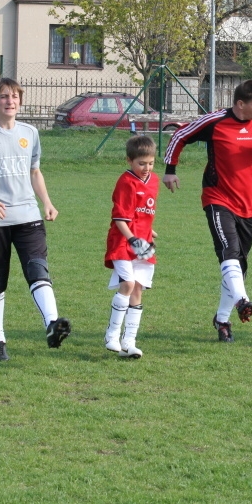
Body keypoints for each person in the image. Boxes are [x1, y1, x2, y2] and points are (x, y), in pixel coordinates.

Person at [161, 80, 252, 343]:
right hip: (217, 198)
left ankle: (222, 320)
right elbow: (179, 135)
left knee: (237, 265)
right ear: (240, 104)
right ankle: (243, 300)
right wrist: (170, 171)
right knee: (229, 250)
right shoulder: (215, 121)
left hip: (249, 205)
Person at [0, 78, 71, 361]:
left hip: (29, 217)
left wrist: (47, 202)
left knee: (38, 270)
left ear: (20, 101)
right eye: (4, 96)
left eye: (15, 96)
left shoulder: (30, 133)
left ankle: (52, 323)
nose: (10, 101)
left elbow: (35, 171)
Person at [104, 135, 160, 359]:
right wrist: (132, 239)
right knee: (126, 284)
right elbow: (120, 218)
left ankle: (129, 342)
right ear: (129, 160)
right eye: (141, 163)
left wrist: (148, 231)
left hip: (142, 242)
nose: (146, 168)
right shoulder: (126, 182)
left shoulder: (154, 181)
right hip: (123, 241)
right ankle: (112, 336)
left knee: (137, 289)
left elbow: (143, 213)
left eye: (150, 163)